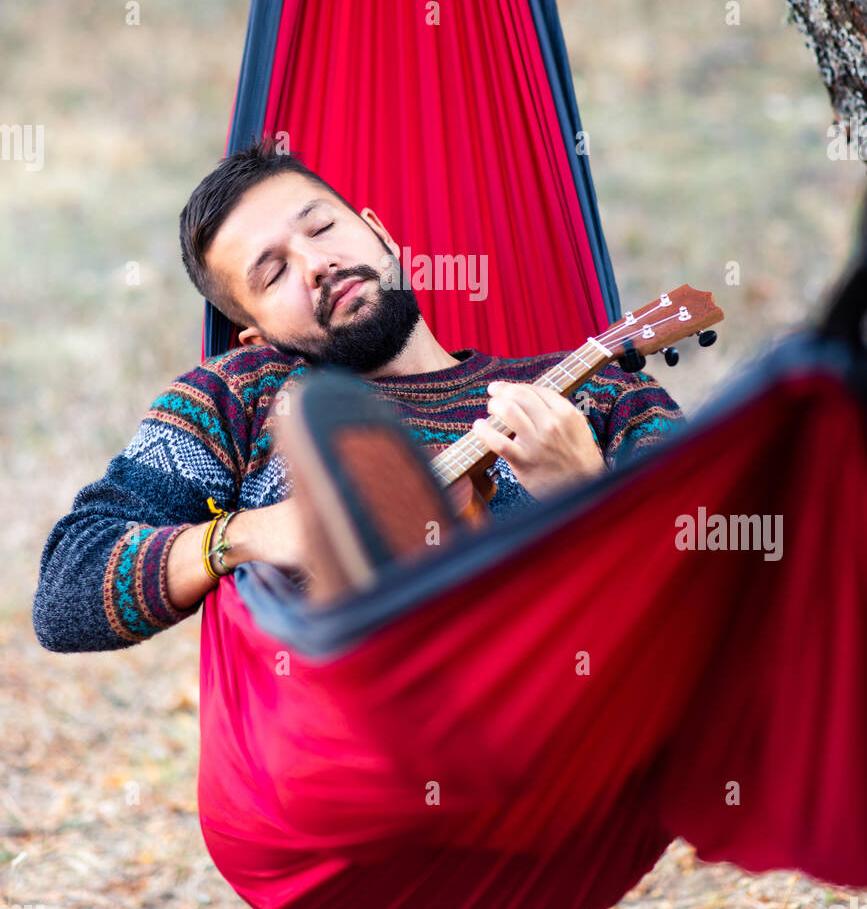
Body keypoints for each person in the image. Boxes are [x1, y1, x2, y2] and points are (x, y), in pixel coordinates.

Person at [33, 137, 683, 651]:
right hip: (355, 750)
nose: (317, 264)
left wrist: (586, 492)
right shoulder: (238, 395)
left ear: (378, 232)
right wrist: (252, 536)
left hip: (560, 718)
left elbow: (719, 593)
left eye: (322, 229)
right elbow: (66, 593)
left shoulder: (591, 389)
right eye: (274, 270)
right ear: (253, 334)